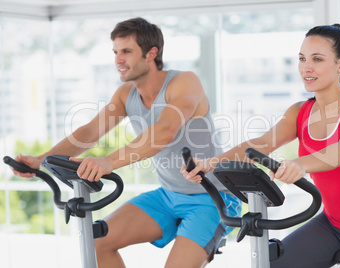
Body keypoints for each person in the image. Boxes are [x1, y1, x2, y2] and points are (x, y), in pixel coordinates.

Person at [11, 17, 241, 268]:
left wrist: (108, 161)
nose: (118, 60)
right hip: (168, 196)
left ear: (151, 53)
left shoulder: (184, 82)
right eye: (116, 52)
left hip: (212, 197)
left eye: (127, 52)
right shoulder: (126, 94)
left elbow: (165, 131)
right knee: (96, 241)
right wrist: (40, 160)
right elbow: (89, 132)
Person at [182, 24, 340, 268]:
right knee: (272, 264)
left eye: (317, 59)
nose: (306, 67)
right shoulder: (299, 112)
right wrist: (208, 164)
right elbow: (259, 145)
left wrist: (299, 165)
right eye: (302, 58)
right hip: (332, 223)